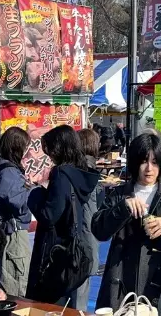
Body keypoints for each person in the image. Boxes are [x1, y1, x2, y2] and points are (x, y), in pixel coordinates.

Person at [92, 133, 161, 311]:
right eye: (144, 161)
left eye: (155, 162)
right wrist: (123, 208)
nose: (149, 168)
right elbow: (98, 229)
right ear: (135, 163)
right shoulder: (121, 193)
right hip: (122, 279)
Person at [26, 125, 99, 304]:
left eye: (50, 150)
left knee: (45, 303)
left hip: (54, 249)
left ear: (58, 148)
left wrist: (35, 194)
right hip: (74, 246)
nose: (49, 156)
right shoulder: (81, 173)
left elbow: (50, 215)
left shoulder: (61, 173)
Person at [0, 126, 33, 298]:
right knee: (14, 285)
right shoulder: (9, 172)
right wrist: (32, 192)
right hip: (12, 234)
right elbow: (18, 203)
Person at [75, 128, 104, 311]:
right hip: (87, 229)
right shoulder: (89, 169)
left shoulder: (77, 167)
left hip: (82, 228)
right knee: (81, 288)